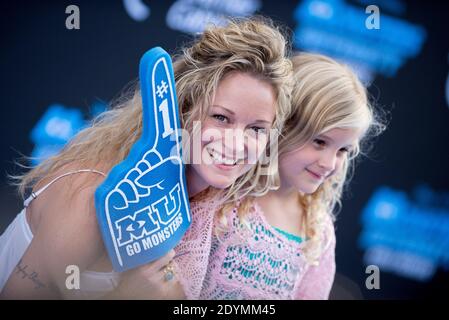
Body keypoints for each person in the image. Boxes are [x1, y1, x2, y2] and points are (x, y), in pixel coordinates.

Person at [0, 17, 293, 299]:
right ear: (182, 109)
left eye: (256, 128)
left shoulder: (211, 213)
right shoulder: (93, 193)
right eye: (221, 118)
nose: (236, 143)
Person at [188, 52, 385, 299]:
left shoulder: (317, 230)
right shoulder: (220, 197)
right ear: (282, 128)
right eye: (319, 142)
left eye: (343, 150)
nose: (329, 163)